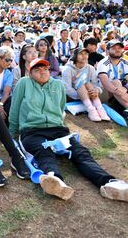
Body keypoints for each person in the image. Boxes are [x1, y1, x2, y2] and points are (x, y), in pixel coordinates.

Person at [9, 58, 128, 201]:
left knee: (80, 152)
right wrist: (11, 133)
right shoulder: (24, 83)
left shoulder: (58, 85)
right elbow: (14, 108)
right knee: (43, 152)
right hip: (32, 130)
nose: (42, 72)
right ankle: (55, 180)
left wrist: (58, 124)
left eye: (45, 69)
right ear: (30, 73)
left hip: (58, 129)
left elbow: (60, 109)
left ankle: (109, 182)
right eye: (37, 70)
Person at [62, 48, 110, 121]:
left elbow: (96, 84)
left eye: (86, 54)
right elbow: (67, 89)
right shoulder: (67, 69)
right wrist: (82, 95)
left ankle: (100, 109)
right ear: (75, 56)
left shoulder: (90, 68)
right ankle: (91, 110)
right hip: (73, 96)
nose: (84, 56)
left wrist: (96, 91)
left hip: (89, 95)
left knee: (88, 83)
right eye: (81, 54)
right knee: (81, 83)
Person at [96, 40, 128, 117]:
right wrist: (119, 90)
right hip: (104, 93)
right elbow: (105, 83)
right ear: (107, 50)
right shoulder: (104, 62)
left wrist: (125, 89)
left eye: (119, 48)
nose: (117, 50)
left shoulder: (125, 62)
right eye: (114, 48)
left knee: (119, 83)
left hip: (121, 94)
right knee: (116, 82)